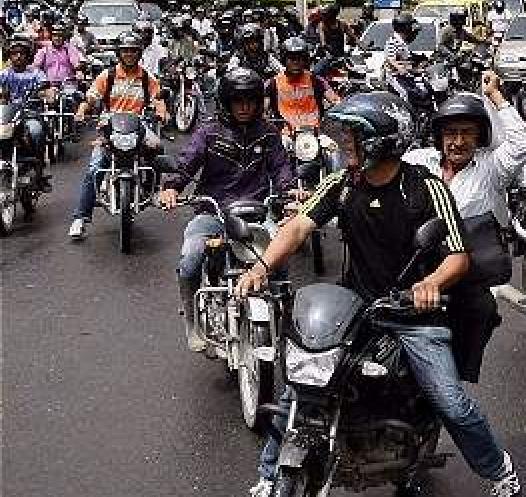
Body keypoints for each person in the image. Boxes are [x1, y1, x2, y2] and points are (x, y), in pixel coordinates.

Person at [236, 91, 523, 497]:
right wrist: (261, 267)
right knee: (302, 385)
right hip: (356, 310)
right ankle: (268, 479)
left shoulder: (425, 188)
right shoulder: (342, 184)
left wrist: (429, 284)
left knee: (450, 401)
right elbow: (296, 228)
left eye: (353, 136)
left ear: (381, 141)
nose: (344, 144)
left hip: (414, 314)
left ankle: (501, 474)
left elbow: (458, 256)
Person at [159, 68, 299, 352]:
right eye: (238, 101)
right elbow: (187, 161)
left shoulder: (268, 134)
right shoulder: (208, 132)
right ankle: (191, 322)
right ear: (226, 102)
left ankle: (285, 322)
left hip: (256, 213)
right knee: (191, 259)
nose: (244, 107)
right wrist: (172, 187)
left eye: (250, 101)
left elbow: (282, 168)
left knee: (280, 257)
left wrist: (291, 193)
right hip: (214, 212)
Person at [403, 72, 526, 383]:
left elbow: (522, 144)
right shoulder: (418, 161)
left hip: (467, 268)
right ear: (439, 136)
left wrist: (496, 96)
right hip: (415, 262)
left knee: (481, 310)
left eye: (467, 133)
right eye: (451, 133)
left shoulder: (491, 167)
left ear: (479, 137)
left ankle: (456, 380)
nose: (458, 142)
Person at [68, 31, 169, 240]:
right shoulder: (107, 76)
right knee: (95, 168)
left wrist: (162, 112)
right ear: (119, 53)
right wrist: (82, 111)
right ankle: (80, 218)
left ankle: (152, 190)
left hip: (138, 124)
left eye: (133, 51)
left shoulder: (147, 78)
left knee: (157, 148)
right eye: (125, 51)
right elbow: (91, 98)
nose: (129, 54)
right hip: (109, 125)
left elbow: (158, 99)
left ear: (139, 53)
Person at [0, 38, 50, 191]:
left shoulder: (36, 73)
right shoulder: (4, 74)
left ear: (28, 56)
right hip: (7, 115)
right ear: (9, 56)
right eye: (14, 53)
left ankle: (39, 173)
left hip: (30, 114)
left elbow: (45, 87)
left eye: (21, 53)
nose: (18, 56)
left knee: (36, 132)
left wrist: (44, 93)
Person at [265, 36, 341, 136]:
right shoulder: (272, 83)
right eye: (292, 58)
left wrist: (340, 107)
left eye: (299, 58)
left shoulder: (316, 80)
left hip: (316, 132)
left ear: (305, 60)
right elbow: (263, 110)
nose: (296, 62)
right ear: (284, 60)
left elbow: (335, 100)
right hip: (286, 134)